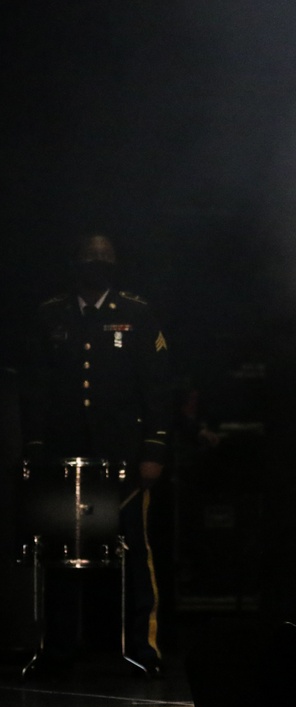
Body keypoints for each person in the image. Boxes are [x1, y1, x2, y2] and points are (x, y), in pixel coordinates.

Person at [20, 233, 173, 677]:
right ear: (75, 263)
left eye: (104, 258)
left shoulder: (137, 314)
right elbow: (36, 389)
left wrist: (155, 450)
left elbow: (158, 388)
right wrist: (34, 449)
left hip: (122, 455)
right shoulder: (52, 316)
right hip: (64, 456)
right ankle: (59, 648)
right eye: (89, 257)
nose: (97, 264)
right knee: (60, 553)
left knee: (132, 551)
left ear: (116, 264)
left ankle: (141, 650)